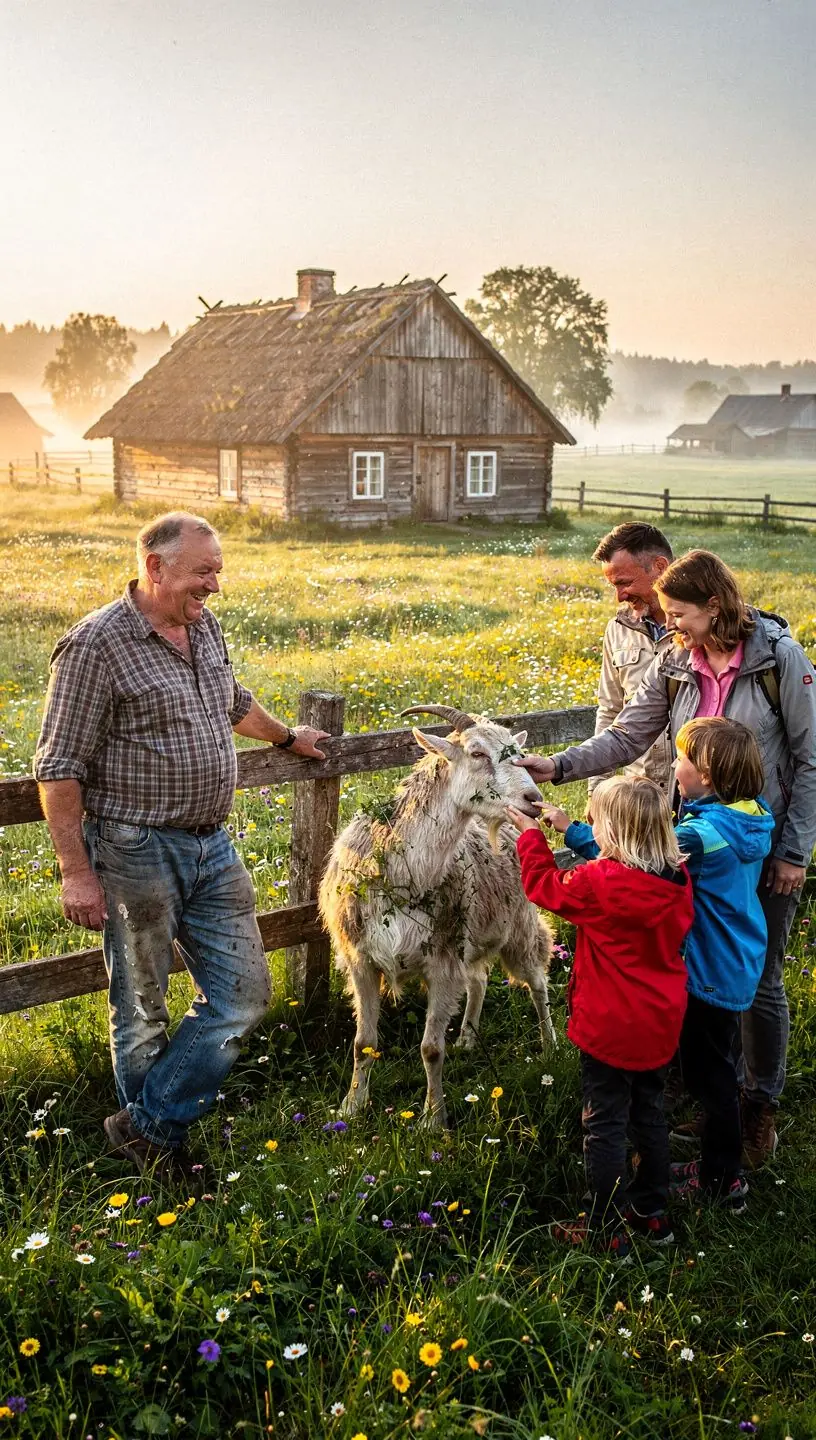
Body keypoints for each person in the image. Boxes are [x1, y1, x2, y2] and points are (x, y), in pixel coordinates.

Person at [33, 512, 330, 1179]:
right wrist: (74, 871)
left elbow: (231, 700)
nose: (214, 587)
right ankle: (158, 1154)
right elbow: (57, 766)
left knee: (245, 994)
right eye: (203, 572)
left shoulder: (201, 625)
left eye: (217, 572)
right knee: (141, 1004)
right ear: (155, 565)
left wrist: (286, 738)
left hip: (211, 845)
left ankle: (144, 1128)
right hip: (134, 847)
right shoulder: (95, 646)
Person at [517, 548, 816, 1166]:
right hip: (693, 843)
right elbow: (629, 731)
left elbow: (811, 758)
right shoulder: (677, 660)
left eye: (680, 613)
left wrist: (794, 851)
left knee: (757, 977)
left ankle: (758, 1106)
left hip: (759, 845)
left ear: (716, 606)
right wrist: (560, 765)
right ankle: (703, 1090)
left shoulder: (778, 659)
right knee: (690, 959)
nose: (670, 624)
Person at [547, 718, 774, 1213]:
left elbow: (639, 860)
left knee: (710, 1079)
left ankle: (724, 1178)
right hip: (740, 956)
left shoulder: (699, 836)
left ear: (708, 776)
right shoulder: (752, 815)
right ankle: (718, 1159)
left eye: (683, 759)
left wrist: (574, 831)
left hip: (708, 969)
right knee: (720, 1067)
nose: (675, 764)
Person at [507, 776, 694, 1258]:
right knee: (649, 1115)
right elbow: (621, 868)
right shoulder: (676, 878)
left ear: (613, 833)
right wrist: (570, 830)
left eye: (595, 822)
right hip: (659, 1021)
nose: (592, 826)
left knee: (605, 1123)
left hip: (609, 1027)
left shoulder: (595, 883)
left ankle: (604, 1227)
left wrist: (531, 837)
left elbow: (543, 886)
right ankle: (652, 1213)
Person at [588, 522, 674, 796]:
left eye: (624, 583)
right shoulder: (619, 629)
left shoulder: (707, 627)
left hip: (698, 798)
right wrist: (598, 790)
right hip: (640, 797)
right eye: (614, 585)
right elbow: (610, 711)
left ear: (660, 567)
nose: (619, 596)